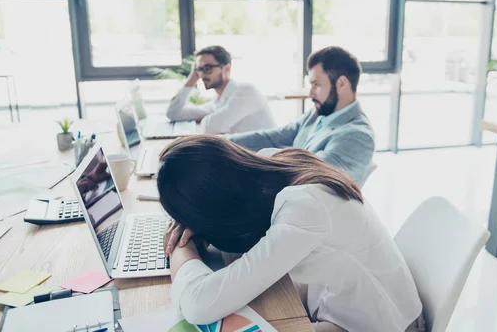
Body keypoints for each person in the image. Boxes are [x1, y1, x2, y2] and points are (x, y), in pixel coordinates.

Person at [157, 135, 424, 332]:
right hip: (344, 303)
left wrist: (182, 247)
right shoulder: (275, 162)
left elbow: (198, 305)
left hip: (383, 324)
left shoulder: (303, 207)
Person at [227, 46, 375, 186]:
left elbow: (307, 174)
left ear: (341, 83)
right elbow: (271, 137)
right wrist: (221, 142)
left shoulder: (357, 136)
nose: (310, 93)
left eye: (316, 85)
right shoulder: (317, 115)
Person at [166, 45, 275, 134]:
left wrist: (205, 120)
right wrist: (191, 80)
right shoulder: (218, 101)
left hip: (262, 158)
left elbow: (211, 127)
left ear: (226, 68)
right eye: (199, 69)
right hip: (245, 156)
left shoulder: (246, 92)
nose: (202, 74)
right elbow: (174, 113)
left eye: (207, 68)